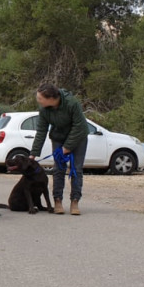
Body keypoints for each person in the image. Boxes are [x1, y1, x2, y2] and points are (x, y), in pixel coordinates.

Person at [29, 83, 88, 215]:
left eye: (40, 98)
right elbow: (41, 131)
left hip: (79, 137)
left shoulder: (72, 103)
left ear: (51, 98)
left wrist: (67, 147)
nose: (38, 101)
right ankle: (57, 200)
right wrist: (33, 154)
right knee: (58, 169)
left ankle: (75, 201)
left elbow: (79, 126)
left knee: (76, 169)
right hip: (58, 137)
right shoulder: (44, 110)